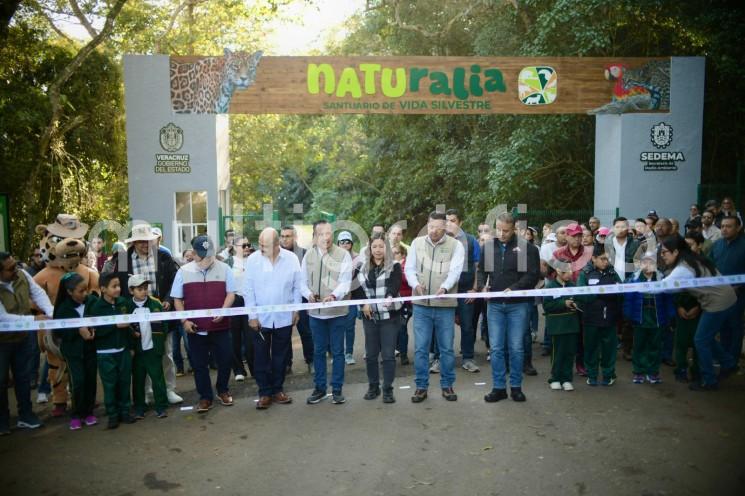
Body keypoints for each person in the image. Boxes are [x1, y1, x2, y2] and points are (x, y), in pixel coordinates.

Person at [112, 224, 182, 405]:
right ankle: (146, 392)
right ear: (134, 242)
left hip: (160, 311)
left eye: (148, 241)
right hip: (135, 313)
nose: (145, 244)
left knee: (165, 353)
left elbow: (175, 281)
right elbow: (117, 286)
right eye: (141, 241)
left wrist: (168, 299)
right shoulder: (122, 259)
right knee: (141, 354)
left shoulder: (163, 257)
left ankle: (169, 389)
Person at [660, 236, 739, 391]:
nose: (662, 256)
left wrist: (639, 286)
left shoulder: (684, 267)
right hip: (724, 299)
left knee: (701, 340)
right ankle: (729, 363)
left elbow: (666, 287)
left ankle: (708, 380)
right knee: (706, 338)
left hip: (717, 303)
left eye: (664, 252)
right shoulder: (692, 260)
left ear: (676, 252)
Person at [478, 212, 540, 403]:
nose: (502, 234)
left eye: (506, 230)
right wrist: (482, 286)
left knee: (516, 347)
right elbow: (481, 270)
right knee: (496, 348)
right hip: (495, 305)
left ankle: (515, 387)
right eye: (499, 230)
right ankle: (498, 388)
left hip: (518, 305)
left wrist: (513, 289)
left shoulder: (527, 249)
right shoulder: (488, 247)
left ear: (514, 229)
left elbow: (532, 275)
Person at [171, 235, 236, 413]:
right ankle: (205, 397)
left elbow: (231, 293)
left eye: (210, 255)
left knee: (225, 359)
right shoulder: (183, 271)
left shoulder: (225, 268)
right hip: (195, 328)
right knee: (199, 365)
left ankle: (222, 390)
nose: (208, 259)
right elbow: (177, 299)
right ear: (194, 254)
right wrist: (184, 320)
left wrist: (223, 310)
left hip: (221, 326)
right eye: (204, 256)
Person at [405, 211, 464, 403]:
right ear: (427, 224)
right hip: (421, 305)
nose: (433, 232)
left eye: (438, 228)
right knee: (421, 349)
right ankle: (421, 387)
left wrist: (445, 287)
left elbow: (455, 271)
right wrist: (415, 284)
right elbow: (409, 269)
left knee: (446, 348)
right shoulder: (416, 243)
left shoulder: (456, 245)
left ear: (445, 227)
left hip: (445, 305)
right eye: (430, 227)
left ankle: (447, 385)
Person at [242, 228, 302, 410]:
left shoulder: (291, 259)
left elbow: (297, 287)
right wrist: (252, 315)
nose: (260, 247)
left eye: (264, 245)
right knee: (260, 356)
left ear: (277, 245)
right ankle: (264, 392)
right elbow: (248, 289)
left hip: (284, 317)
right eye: (259, 243)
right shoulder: (252, 260)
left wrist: (296, 310)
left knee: (280, 356)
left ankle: (278, 389)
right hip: (260, 319)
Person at [301, 220, 353, 405]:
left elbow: (346, 282)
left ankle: (337, 389)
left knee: (338, 352)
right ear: (315, 237)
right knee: (318, 351)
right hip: (316, 314)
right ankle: (320, 388)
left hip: (338, 312)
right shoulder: (308, 256)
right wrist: (308, 294)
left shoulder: (343, 255)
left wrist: (334, 295)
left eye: (329, 233)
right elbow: (302, 282)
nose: (327, 237)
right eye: (322, 234)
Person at [0, 252, 51, 435]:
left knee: (24, 377)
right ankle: (2, 420)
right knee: (1, 380)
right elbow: (2, 317)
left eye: (15, 265)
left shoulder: (22, 274)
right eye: (10, 268)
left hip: (22, 337)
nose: (16, 269)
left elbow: (38, 293)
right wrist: (32, 319)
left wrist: (50, 311)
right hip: (2, 342)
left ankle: (26, 415)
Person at [352, 232, 403, 403]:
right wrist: (363, 303)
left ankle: (388, 389)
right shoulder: (361, 266)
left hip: (390, 317)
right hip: (370, 317)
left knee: (388, 355)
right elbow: (356, 288)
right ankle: (373, 387)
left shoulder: (394, 265)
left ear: (386, 248)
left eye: (381, 246)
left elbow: (394, 284)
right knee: (371, 354)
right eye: (375, 246)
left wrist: (389, 295)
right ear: (370, 248)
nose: (378, 250)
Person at [89, 272, 135, 429]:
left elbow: (129, 326)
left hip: (123, 350)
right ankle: (112, 415)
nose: (118, 289)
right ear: (103, 289)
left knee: (124, 382)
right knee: (109, 385)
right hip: (105, 353)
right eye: (114, 286)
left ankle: (125, 412)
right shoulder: (96, 307)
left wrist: (130, 347)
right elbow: (96, 331)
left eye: (119, 286)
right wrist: (114, 325)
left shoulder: (123, 303)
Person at [53, 272, 98, 430]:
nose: (85, 293)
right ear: (70, 292)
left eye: (86, 289)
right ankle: (77, 414)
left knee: (91, 380)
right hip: (73, 352)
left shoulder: (93, 301)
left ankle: (89, 412)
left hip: (91, 350)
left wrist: (93, 330)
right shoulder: (63, 309)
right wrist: (77, 331)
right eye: (80, 291)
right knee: (78, 381)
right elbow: (58, 332)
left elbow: (102, 319)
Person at [624, 252, 675, 384]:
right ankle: (638, 371)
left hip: (657, 317)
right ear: (640, 264)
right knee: (639, 345)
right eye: (645, 262)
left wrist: (670, 314)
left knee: (655, 346)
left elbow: (668, 299)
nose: (648, 265)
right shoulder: (633, 279)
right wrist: (628, 314)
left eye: (651, 262)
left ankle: (653, 372)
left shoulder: (662, 279)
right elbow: (628, 299)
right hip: (640, 316)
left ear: (656, 264)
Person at [576, 245, 623, 386]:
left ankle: (608, 374)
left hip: (610, 318)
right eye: (602, 259)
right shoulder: (585, 273)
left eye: (608, 259)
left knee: (609, 348)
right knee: (591, 348)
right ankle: (592, 375)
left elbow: (620, 292)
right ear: (593, 258)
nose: (606, 262)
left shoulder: (613, 273)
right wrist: (598, 294)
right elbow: (581, 295)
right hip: (591, 318)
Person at [126, 274, 169, 420]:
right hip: (137, 352)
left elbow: (164, 325)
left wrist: (160, 344)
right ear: (131, 291)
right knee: (138, 381)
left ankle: (161, 406)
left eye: (145, 288)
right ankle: (139, 408)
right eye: (139, 289)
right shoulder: (126, 307)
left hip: (152, 350)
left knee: (157, 379)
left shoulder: (155, 304)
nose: (144, 291)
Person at [445, 208, 481, 373]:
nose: (449, 223)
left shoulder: (471, 240)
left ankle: (468, 358)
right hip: (446, 292)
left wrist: (474, 289)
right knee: (444, 326)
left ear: (460, 222)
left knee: (467, 326)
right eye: (447, 220)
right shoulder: (441, 240)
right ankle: (442, 359)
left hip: (466, 290)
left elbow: (477, 266)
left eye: (453, 220)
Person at [710, 215, 745, 364]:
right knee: (722, 326)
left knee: (735, 326)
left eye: (729, 226)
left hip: (738, 294)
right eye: (723, 226)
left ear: (738, 228)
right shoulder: (717, 245)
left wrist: (739, 286)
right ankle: (723, 358)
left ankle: (733, 360)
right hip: (719, 294)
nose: (724, 229)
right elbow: (709, 266)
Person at [279, 225, 313, 374]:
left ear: (295, 237)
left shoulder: (305, 254)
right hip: (284, 300)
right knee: (284, 333)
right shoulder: (276, 255)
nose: (284, 239)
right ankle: (287, 364)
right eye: (282, 236)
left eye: (288, 236)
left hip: (303, 299)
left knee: (306, 331)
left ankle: (310, 360)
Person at [542, 262, 580, 391]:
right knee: (557, 353)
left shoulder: (573, 285)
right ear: (558, 271)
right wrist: (563, 303)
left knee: (570, 353)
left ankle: (567, 379)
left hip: (572, 325)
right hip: (557, 325)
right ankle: (555, 378)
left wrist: (576, 304)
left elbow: (579, 300)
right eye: (567, 270)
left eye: (571, 270)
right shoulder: (550, 286)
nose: (570, 273)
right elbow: (547, 306)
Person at [229, 237, 253, 382]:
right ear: (235, 246)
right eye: (243, 245)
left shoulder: (254, 261)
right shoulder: (228, 263)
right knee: (234, 338)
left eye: (248, 245)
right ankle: (238, 370)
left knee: (251, 337)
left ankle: (254, 368)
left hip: (249, 301)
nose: (246, 248)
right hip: (234, 300)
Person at [335, 230, 359, 365]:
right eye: (342, 242)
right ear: (338, 243)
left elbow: (360, 280)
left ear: (351, 244)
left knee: (350, 326)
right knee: (337, 327)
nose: (345, 244)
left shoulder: (357, 258)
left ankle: (348, 353)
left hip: (352, 298)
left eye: (347, 242)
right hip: (336, 299)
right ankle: (338, 353)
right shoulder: (332, 258)